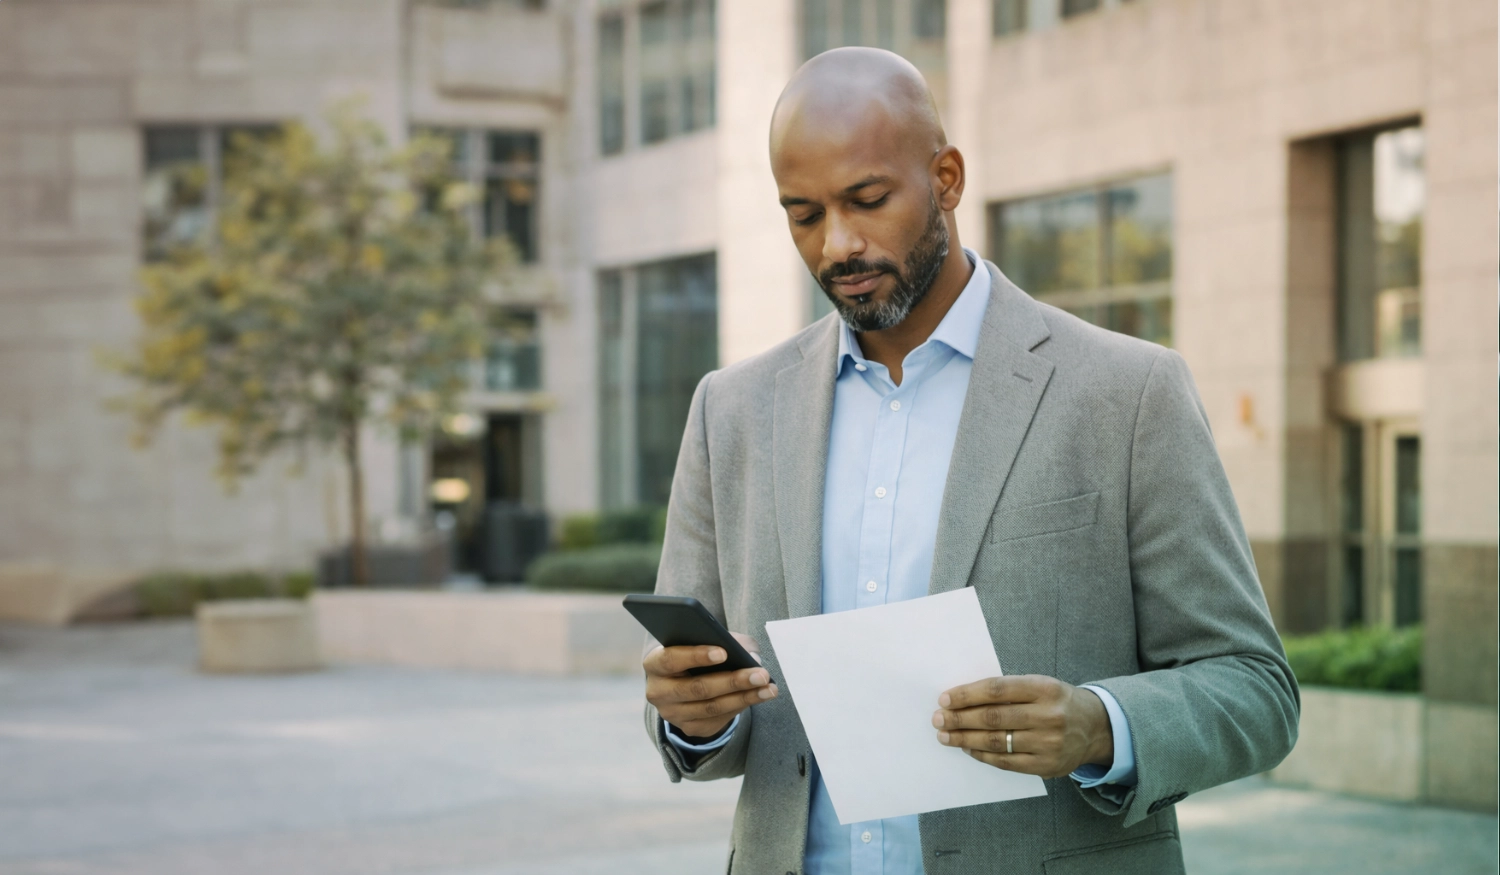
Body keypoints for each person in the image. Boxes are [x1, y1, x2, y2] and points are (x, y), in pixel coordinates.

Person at [641, 47, 1298, 875]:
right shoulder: (730, 411)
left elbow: (1256, 689)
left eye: (868, 200)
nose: (838, 244)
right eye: (803, 215)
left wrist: (1101, 723)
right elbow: (701, 707)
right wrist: (693, 713)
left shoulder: (1128, 393)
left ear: (946, 177)